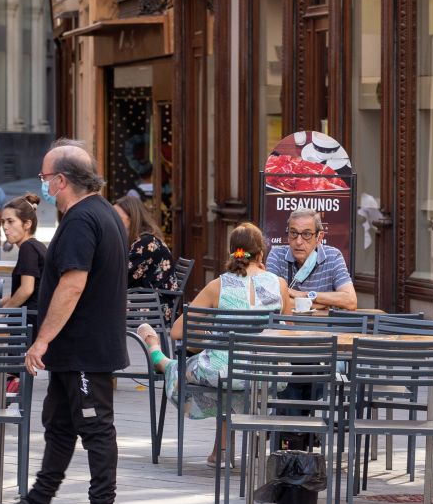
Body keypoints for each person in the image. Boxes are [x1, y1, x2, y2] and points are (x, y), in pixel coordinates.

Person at [0, 139, 128, 504]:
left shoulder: (82, 220)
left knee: (94, 425)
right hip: (77, 348)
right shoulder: (100, 212)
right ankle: (39, 502)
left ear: (63, 180)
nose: (44, 186)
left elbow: (72, 285)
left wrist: (41, 340)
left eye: (46, 178)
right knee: (59, 423)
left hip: (84, 346)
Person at [137, 222, 292, 465]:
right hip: (269, 372)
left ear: (232, 252)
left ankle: (155, 352)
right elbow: (287, 331)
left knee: (195, 366)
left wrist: (212, 336)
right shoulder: (279, 284)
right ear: (261, 253)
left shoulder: (218, 286)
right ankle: (220, 451)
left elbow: (178, 331)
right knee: (235, 371)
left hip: (224, 371)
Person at [265, 208, 357, 310]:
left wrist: (305, 295)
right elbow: (270, 300)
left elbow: (350, 301)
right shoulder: (277, 255)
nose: (299, 241)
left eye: (306, 234)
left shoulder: (333, 256)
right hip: (287, 325)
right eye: (293, 233)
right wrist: (315, 304)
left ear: (319, 237)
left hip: (321, 325)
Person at [113, 196, 176, 322]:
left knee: (101, 306)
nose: (112, 220)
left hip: (157, 306)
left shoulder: (146, 243)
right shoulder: (140, 240)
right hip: (147, 299)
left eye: (117, 217)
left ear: (132, 217)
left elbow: (122, 277)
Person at [0, 194, 46, 341]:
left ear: (27, 224)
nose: (5, 227)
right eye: (3, 222)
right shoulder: (36, 246)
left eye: (10, 221)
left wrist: (4, 311)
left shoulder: (28, 248)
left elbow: (27, 290)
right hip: (34, 319)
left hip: (29, 323)